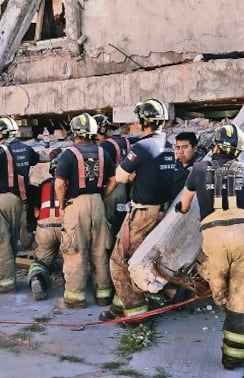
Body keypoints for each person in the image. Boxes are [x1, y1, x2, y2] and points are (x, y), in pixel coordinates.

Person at [176, 124, 244, 370]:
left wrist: (182, 209)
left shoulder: (198, 169)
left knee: (222, 295)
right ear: (238, 151)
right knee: (242, 297)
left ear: (216, 146)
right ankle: (235, 355)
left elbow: (184, 204)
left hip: (214, 237)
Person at [102, 98, 177, 323]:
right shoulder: (169, 145)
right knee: (143, 258)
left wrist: (133, 174)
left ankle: (136, 314)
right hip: (163, 211)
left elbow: (121, 177)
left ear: (144, 121)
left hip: (143, 213)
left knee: (119, 261)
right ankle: (119, 306)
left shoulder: (142, 147)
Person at [54, 114, 116, 309]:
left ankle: (75, 298)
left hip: (76, 204)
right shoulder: (103, 153)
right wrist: (101, 196)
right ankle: (103, 295)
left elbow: (59, 185)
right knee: (100, 250)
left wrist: (63, 205)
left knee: (75, 251)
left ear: (75, 132)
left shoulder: (68, 154)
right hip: (97, 203)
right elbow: (114, 180)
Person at [0, 116, 34, 293]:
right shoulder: (25, 148)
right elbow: (39, 158)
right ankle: (0, 276)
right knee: (10, 240)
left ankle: (4, 283)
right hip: (17, 201)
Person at [26, 147, 62, 301]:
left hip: (45, 226)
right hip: (65, 224)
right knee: (75, 258)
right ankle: (73, 283)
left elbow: (35, 210)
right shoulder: (69, 183)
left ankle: (37, 279)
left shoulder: (43, 183)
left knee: (42, 260)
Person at [95, 113, 131, 246]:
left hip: (112, 188)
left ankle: (109, 250)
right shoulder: (125, 141)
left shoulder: (105, 146)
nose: (96, 138)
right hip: (126, 187)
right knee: (122, 220)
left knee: (109, 221)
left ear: (102, 130)